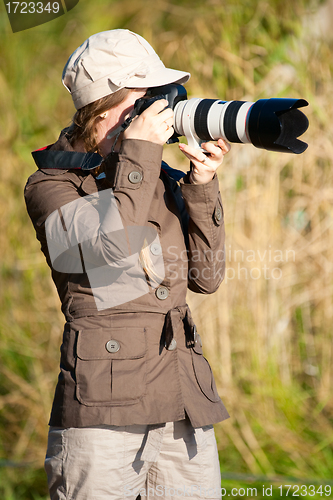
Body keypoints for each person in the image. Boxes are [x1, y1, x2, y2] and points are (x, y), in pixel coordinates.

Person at [24, 29, 231, 500]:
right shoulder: (54, 183)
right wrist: (140, 155)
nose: (158, 112)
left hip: (183, 403)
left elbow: (208, 278)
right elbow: (108, 249)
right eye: (144, 100)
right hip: (104, 412)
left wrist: (201, 184)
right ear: (103, 107)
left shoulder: (157, 177)